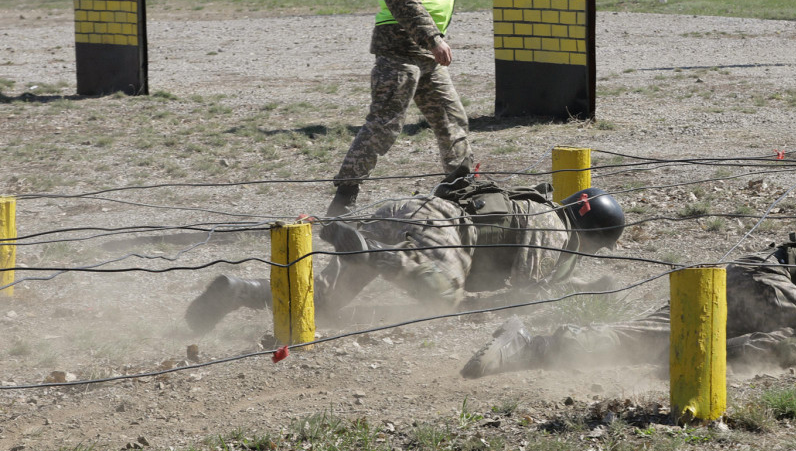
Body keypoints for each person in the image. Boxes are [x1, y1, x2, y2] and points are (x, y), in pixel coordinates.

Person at [460, 204, 796, 378]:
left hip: (754, 282)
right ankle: (701, 363)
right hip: (769, 285)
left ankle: (526, 344)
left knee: (647, 335)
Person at [185, 183, 626, 334]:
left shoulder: (541, 207)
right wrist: (575, 293)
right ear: (590, 235)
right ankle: (372, 254)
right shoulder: (553, 226)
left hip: (400, 209)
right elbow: (525, 295)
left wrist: (583, 288)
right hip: (441, 226)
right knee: (442, 293)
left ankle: (239, 291)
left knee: (324, 301)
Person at [327, 0, 473, 218]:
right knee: (384, 126)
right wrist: (432, 37)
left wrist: (432, 42)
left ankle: (463, 193)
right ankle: (342, 201)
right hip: (401, 48)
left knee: (452, 121)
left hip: (425, 51)